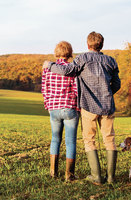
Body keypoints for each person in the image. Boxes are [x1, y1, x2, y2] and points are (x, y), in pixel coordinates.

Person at [43, 32, 121, 185]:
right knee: (109, 139)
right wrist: (106, 93)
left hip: (88, 106)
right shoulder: (111, 61)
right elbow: (117, 84)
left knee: (89, 140)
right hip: (107, 106)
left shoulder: (82, 59)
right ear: (102, 45)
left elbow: (67, 71)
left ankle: (96, 176)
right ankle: (111, 178)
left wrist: (49, 65)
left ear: (88, 45)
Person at [41, 41, 79, 182]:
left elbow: (44, 90)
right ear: (69, 53)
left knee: (55, 139)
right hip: (69, 107)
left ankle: (53, 173)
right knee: (70, 142)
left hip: (54, 108)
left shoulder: (47, 69)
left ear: (56, 52)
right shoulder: (71, 69)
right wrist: (77, 107)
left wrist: (48, 105)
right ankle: (69, 174)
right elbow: (76, 90)